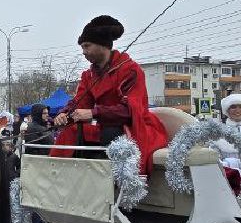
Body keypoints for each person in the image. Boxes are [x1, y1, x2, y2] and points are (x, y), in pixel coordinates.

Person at [51, 15, 168, 174]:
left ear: (103, 45)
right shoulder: (89, 76)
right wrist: (64, 114)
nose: (84, 52)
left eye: (87, 46)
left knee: (110, 133)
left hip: (134, 126)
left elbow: (130, 111)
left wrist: (93, 113)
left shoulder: (130, 71)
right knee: (69, 131)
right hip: (104, 126)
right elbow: (80, 102)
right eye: (82, 48)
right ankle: (62, 176)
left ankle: (109, 182)